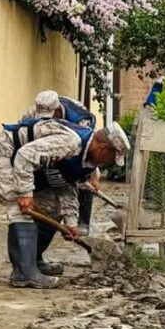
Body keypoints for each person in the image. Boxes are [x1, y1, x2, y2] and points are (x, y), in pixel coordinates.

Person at [0, 116, 130, 288]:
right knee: (21, 209)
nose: (109, 163)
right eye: (112, 158)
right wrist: (24, 192)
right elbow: (24, 156)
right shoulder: (70, 143)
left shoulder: (86, 159)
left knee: (51, 208)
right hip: (4, 153)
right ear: (104, 149)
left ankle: (34, 260)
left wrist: (71, 222)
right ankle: (24, 273)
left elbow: (65, 185)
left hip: (27, 165)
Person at [21, 91, 102, 237]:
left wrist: (93, 174)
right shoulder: (32, 113)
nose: (46, 122)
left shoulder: (81, 120)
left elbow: (91, 150)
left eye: (50, 118)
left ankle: (82, 222)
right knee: (47, 194)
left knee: (81, 179)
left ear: (57, 111)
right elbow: (24, 138)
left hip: (77, 150)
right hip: (47, 152)